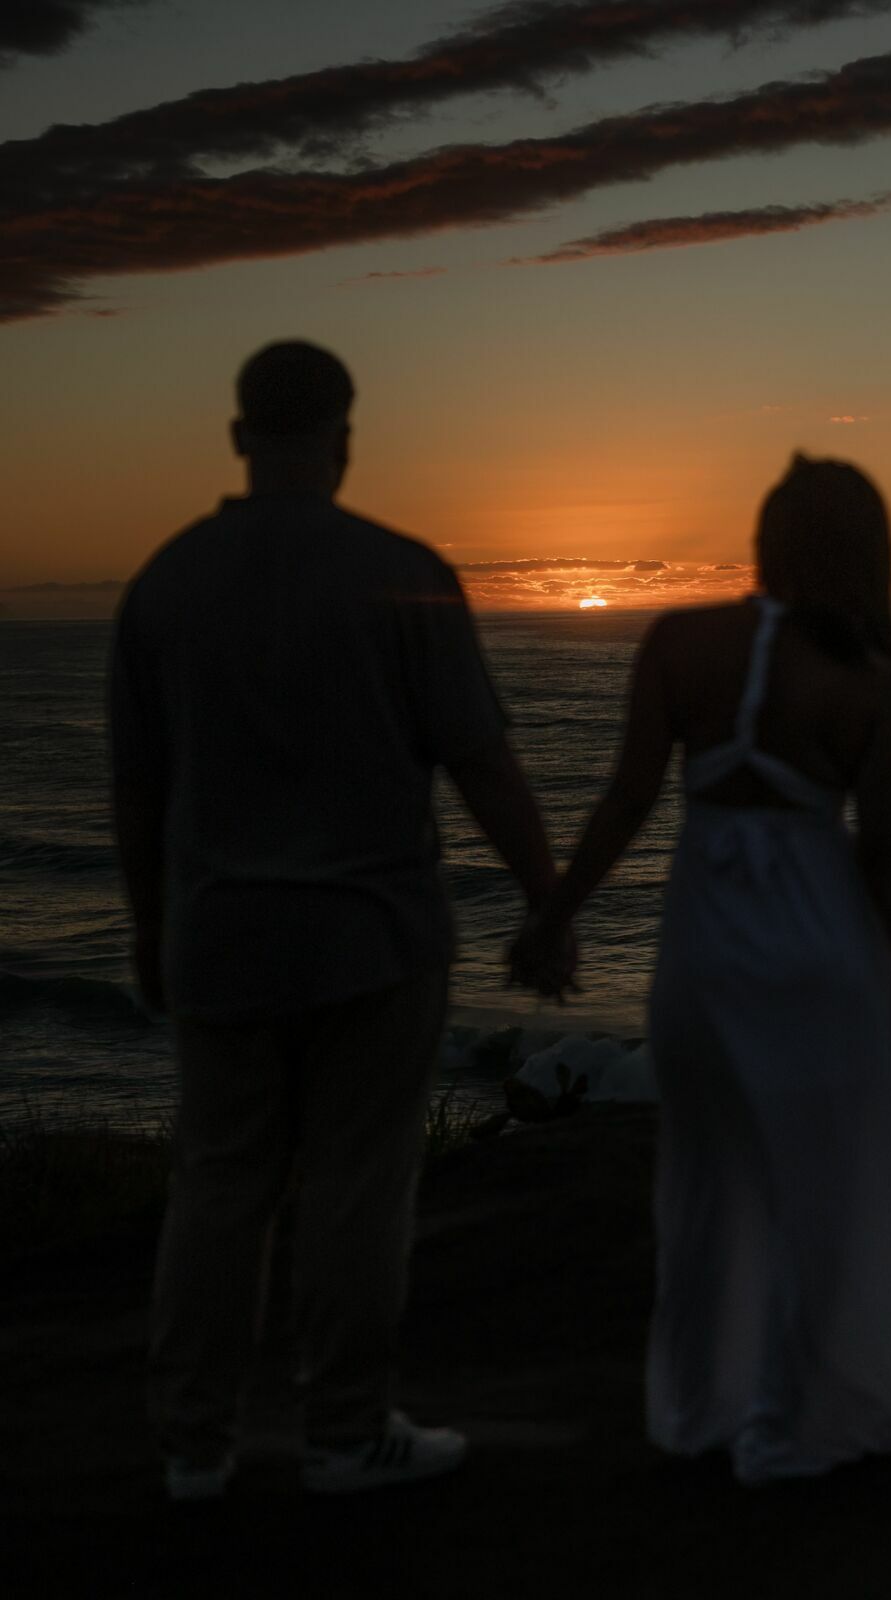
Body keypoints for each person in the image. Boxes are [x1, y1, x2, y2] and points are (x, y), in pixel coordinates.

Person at [109, 339, 568, 1502]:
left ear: (236, 435)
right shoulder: (399, 572)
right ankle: (344, 1429)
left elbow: (137, 793)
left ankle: (192, 1445)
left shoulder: (164, 583)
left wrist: (147, 930)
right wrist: (547, 900)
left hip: (219, 939)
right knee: (357, 1187)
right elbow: (483, 763)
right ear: (346, 433)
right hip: (371, 942)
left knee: (219, 1183)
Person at [511, 455, 891, 1483]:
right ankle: (797, 1416)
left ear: (766, 539)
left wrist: (552, 916)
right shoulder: (870, 684)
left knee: (711, 1180)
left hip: (707, 954)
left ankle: (710, 1406)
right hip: (822, 956)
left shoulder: (680, 642)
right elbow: (885, 856)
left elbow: (628, 800)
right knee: (825, 1184)